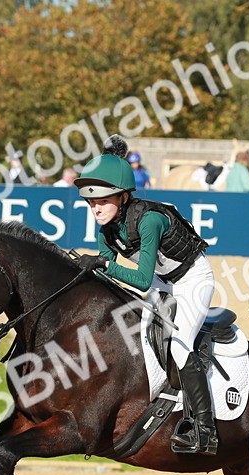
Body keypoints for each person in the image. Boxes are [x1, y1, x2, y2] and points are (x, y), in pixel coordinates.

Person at [73, 136, 218, 455]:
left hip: (192, 280)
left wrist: (102, 263)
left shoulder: (150, 220)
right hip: (162, 283)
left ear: (124, 197)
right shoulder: (106, 230)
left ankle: (205, 430)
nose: (95, 208)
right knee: (132, 337)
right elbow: (105, 271)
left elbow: (139, 278)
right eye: (91, 202)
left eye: (103, 201)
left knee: (180, 348)